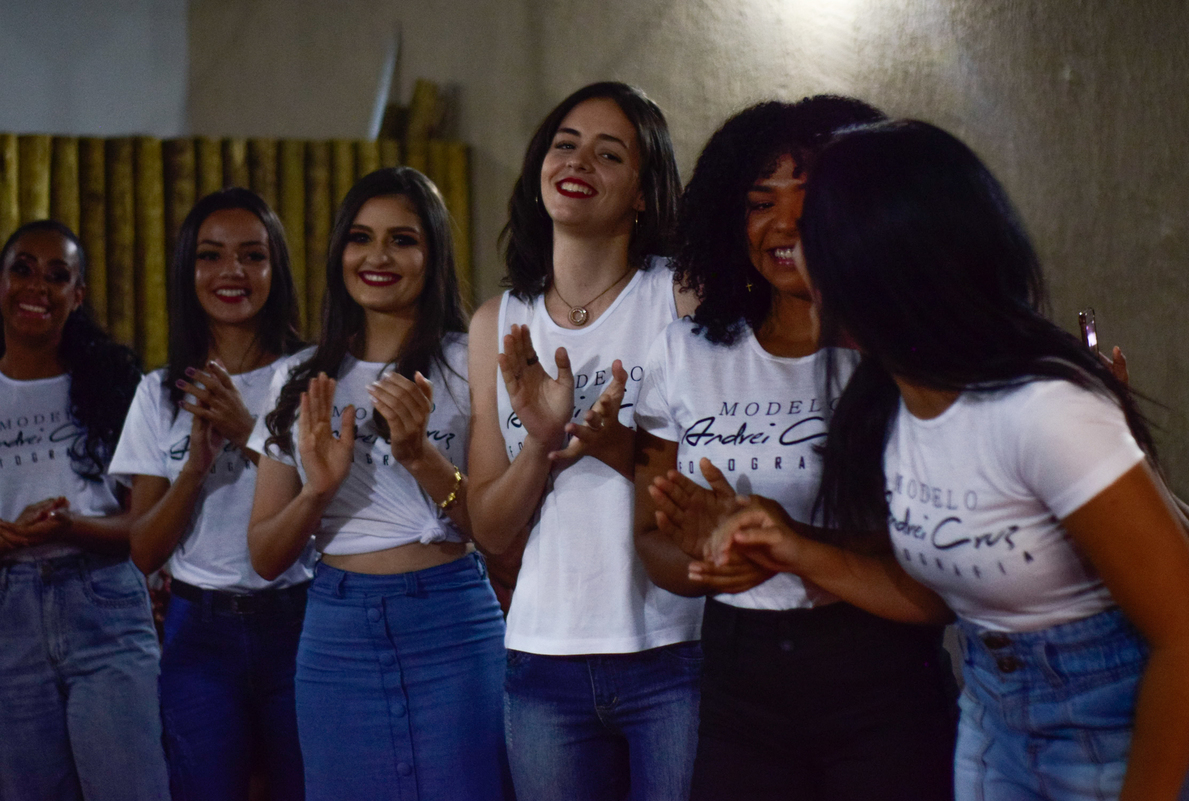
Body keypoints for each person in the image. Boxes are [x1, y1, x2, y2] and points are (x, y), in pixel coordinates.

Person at [704, 120, 1189, 801]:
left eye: (813, 223)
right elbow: (946, 590)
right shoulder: (887, 402)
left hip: (1112, 716)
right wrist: (794, 549)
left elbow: (1186, 638)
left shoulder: (1042, 410)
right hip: (993, 717)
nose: (791, 240)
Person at [633, 98, 956, 801]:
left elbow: (941, 557)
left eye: (810, 198)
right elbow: (651, 539)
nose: (785, 223)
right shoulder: (685, 352)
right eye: (760, 203)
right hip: (738, 684)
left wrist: (787, 542)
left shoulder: (906, 353)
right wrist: (710, 563)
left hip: (882, 677)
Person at [467, 81, 703, 801]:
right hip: (543, 658)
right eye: (564, 145)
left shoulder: (680, 296)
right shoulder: (497, 321)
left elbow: (716, 477)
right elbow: (489, 528)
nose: (578, 162)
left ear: (644, 193)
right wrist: (540, 443)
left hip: (671, 650)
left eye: (609, 153)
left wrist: (614, 444)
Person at [247, 167, 508, 800]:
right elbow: (265, 557)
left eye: (402, 240)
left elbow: (499, 534)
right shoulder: (299, 378)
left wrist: (421, 457)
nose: (378, 257)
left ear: (433, 254)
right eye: (360, 238)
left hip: (451, 620)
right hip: (336, 632)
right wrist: (316, 491)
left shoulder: (469, 361)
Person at [108, 188, 309, 800]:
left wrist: (249, 431)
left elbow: (331, 504)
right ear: (186, 270)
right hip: (199, 631)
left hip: (301, 618)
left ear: (276, 269)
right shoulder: (158, 392)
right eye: (211, 255)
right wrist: (193, 471)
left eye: (252, 255)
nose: (232, 271)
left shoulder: (310, 375)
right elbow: (144, 550)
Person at [0, 220, 169, 800]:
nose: (36, 287)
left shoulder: (116, 387)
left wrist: (72, 526)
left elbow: (143, 527)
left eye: (57, 275)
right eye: (22, 269)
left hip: (104, 604)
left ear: (78, 295)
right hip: (8, 616)